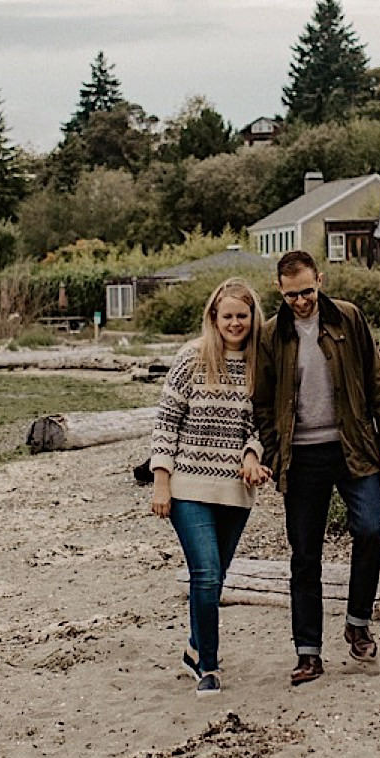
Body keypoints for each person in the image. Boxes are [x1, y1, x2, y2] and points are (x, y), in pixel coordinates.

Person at [251, 249, 380, 686]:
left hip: (352, 446)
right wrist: (268, 448)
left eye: (307, 292)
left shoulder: (348, 318)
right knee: (304, 556)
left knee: (371, 530)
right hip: (300, 458)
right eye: (291, 295)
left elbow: (378, 378)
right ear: (280, 291)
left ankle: (357, 622)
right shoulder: (270, 334)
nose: (300, 302)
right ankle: (308, 653)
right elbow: (262, 401)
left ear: (319, 279)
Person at [147, 277, 271, 695]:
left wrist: (253, 454)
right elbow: (166, 422)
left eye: (242, 315)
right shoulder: (193, 358)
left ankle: (193, 650)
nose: (235, 323)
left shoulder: (261, 363)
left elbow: (264, 425)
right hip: (188, 487)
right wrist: (161, 482)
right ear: (213, 318)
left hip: (235, 489)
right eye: (227, 316)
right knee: (205, 574)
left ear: (253, 318)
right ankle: (209, 667)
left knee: (215, 580)